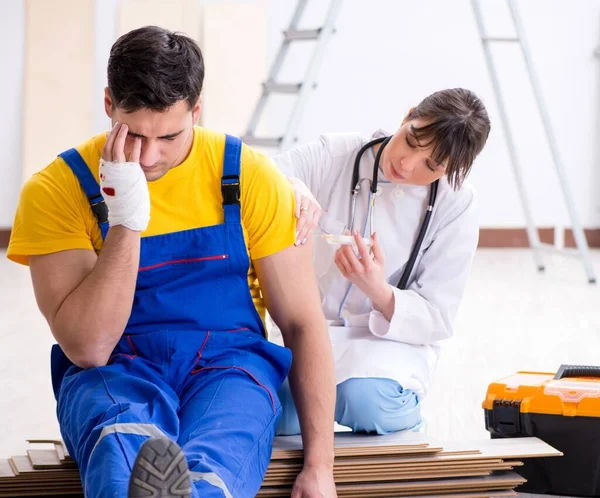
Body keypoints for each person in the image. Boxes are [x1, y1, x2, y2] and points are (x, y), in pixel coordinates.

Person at [7, 26, 337, 498]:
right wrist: (125, 218)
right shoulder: (57, 190)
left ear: (196, 110)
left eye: (170, 136)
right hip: (116, 368)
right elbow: (89, 348)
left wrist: (321, 467)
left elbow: (304, 323)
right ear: (108, 105)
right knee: (120, 440)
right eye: (135, 134)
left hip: (229, 367)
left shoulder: (247, 177)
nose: (149, 155)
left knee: (220, 455)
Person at [273, 88, 491, 436]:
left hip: (384, 346)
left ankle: (400, 422)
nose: (406, 164)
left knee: (367, 402)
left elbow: (437, 316)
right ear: (407, 117)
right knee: (271, 412)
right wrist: (292, 188)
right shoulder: (337, 154)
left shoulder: (457, 205)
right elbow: (260, 171)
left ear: (451, 171)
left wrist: (377, 290)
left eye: (431, 166)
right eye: (410, 140)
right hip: (306, 332)